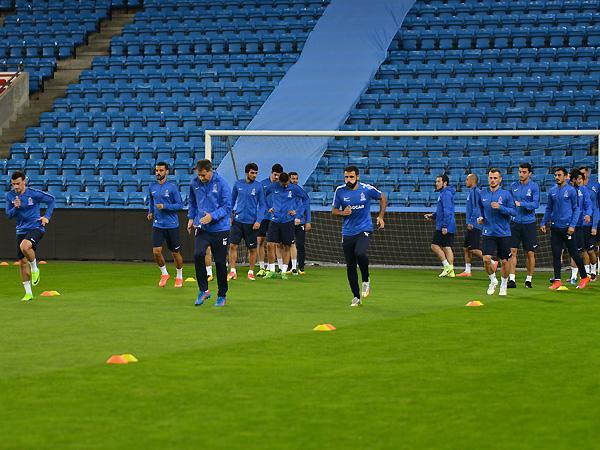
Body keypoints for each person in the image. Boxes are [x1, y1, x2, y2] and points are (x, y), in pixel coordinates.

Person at [332, 165, 386, 307]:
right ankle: (356, 297)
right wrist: (343, 213)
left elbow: (382, 197)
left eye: (351, 177)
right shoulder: (339, 191)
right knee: (350, 265)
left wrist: (381, 217)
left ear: (357, 177)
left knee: (360, 253)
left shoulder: (366, 189)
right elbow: (334, 210)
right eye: (346, 177)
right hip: (347, 232)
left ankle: (366, 279)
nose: (348, 180)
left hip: (364, 229)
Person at [5, 171, 55, 302]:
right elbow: (9, 215)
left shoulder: (33, 194)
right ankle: (28, 293)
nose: (16, 186)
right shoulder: (10, 196)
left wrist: (47, 217)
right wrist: (15, 207)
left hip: (36, 227)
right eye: (13, 184)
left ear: (24, 181)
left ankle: (35, 268)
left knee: (25, 246)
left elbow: (51, 200)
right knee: (22, 263)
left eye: (18, 183)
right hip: (20, 230)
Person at [187, 159, 232, 306]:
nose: (201, 178)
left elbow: (227, 207)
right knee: (198, 254)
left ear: (210, 171)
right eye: (199, 175)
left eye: (203, 175)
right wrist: (191, 218)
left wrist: (212, 216)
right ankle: (204, 290)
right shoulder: (194, 183)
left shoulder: (222, 183)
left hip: (220, 229)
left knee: (219, 262)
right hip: (202, 227)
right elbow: (192, 203)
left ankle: (222, 295)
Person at [540, 167, 590, 290]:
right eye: (556, 175)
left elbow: (576, 209)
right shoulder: (552, 191)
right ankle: (557, 281)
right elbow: (548, 209)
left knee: (574, 254)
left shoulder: (571, 191)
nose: (557, 177)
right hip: (555, 227)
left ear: (565, 176)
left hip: (567, 228)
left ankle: (584, 277)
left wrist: (572, 225)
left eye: (559, 175)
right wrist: (543, 222)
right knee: (556, 254)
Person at [475, 169, 517, 296]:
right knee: (486, 259)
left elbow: (514, 212)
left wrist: (500, 207)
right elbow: (480, 208)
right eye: (491, 178)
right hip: (488, 232)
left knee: (505, 261)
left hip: (503, 233)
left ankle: (503, 285)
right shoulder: (482, 193)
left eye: (495, 178)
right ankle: (493, 280)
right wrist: (480, 217)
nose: (492, 180)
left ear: (500, 179)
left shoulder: (506, 194)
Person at [263, 172, 310, 279]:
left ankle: (284, 271)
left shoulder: (294, 188)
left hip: (288, 221)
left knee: (286, 246)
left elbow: (306, 199)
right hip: (275, 220)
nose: (285, 185)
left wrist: (297, 212)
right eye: (283, 183)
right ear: (279, 181)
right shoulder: (273, 186)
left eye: (286, 183)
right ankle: (271, 270)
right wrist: (268, 207)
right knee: (270, 245)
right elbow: (262, 196)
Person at [147, 162, 184, 288]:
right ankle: (164, 273)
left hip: (171, 225)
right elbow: (151, 201)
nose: (158, 173)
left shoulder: (172, 187)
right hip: (158, 224)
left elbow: (180, 205)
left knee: (175, 253)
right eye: (157, 170)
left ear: (167, 172)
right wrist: (150, 212)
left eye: (161, 170)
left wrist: (165, 206)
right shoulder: (152, 186)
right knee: (156, 252)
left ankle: (179, 276)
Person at [228, 162, 266, 281]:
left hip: (251, 223)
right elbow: (231, 201)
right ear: (246, 173)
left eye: (256, 173)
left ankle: (251, 272)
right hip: (237, 221)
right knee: (232, 246)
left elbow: (262, 205)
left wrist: (259, 220)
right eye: (252, 173)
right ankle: (232, 271)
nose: (254, 175)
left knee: (252, 249)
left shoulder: (258, 186)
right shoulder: (238, 184)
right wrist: (229, 216)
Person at [508, 163, 540, 289]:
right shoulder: (513, 186)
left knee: (530, 253)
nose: (521, 174)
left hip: (529, 223)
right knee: (512, 251)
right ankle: (512, 279)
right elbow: (510, 202)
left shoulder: (534, 186)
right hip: (515, 222)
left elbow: (535, 204)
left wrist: (522, 204)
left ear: (529, 173)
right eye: (520, 171)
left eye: (524, 172)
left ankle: (528, 280)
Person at [424, 174, 456, 278]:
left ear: (445, 183)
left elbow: (447, 211)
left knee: (434, 246)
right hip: (449, 224)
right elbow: (442, 210)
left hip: (444, 225)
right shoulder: (445, 193)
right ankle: (451, 271)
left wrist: (444, 226)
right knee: (447, 247)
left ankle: (446, 266)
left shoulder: (445, 194)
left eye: (438, 181)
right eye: (436, 181)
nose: (436, 183)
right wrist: (433, 216)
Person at [568, 169, 596, 284]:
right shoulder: (567, 189)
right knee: (572, 250)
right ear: (573, 179)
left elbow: (588, 205)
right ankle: (574, 276)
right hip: (568, 224)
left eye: (581, 178)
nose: (580, 181)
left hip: (580, 225)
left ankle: (587, 273)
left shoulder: (583, 190)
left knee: (583, 250)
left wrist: (588, 214)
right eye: (578, 178)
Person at [256, 163, 283, 277]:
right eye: (275, 174)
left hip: (276, 218)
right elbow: (259, 200)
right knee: (260, 241)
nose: (276, 177)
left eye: (279, 175)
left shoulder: (281, 185)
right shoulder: (263, 184)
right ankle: (262, 267)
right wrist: (267, 209)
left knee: (276, 243)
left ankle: (279, 267)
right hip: (263, 217)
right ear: (271, 173)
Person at [457, 174, 486, 277]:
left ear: (472, 181)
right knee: (466, 248)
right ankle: (467, 271)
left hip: (474, 224)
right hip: (472, 223)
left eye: (467, 179)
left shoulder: (475, 192)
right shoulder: (472, 192)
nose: (465, 181)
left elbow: (476, 208)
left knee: (473, 248)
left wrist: (471, 222)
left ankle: (491, 262)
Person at [287, 171, 312, 275]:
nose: (295, 181)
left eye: (296, 179)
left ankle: (301, 268)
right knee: (288, 244)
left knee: (300, 245)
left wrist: (308, 221)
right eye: (293, 179)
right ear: (289, 179)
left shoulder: (301, 191)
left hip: (300, 222)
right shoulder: (286, 191)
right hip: (288, 221)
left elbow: (307, 207)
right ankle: (289, 267)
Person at [578, 166, 599, 281]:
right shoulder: (576, 188)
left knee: (591, 250)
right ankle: (586, 273)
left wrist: (595, 225)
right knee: (583, 250)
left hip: (591, 224)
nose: (582, 175)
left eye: (583, 173)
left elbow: (596, 207)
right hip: (580, 224)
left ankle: (594, 270)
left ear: (588, 173)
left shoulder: (595, 186)